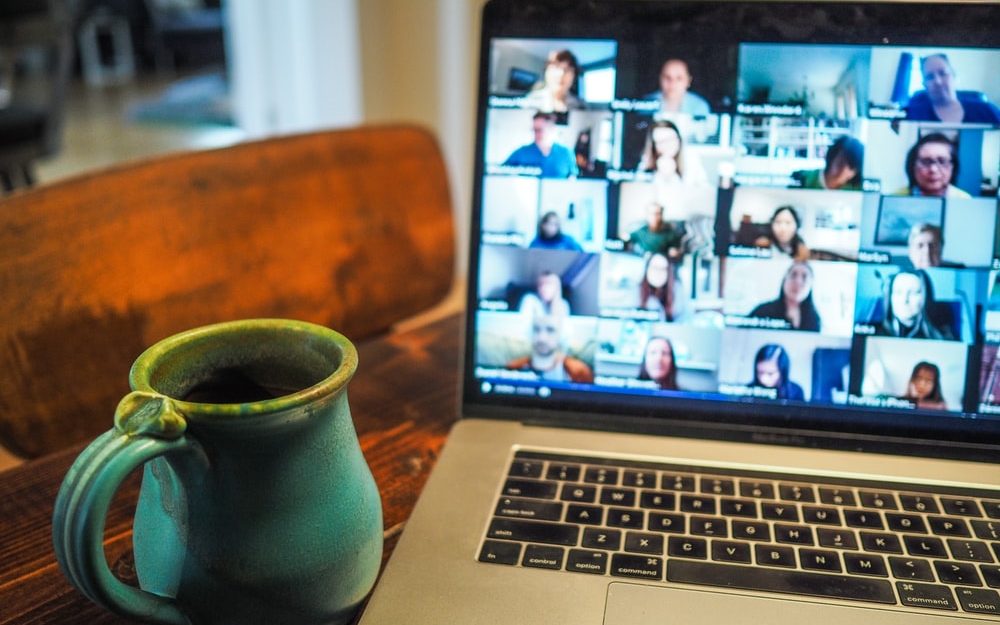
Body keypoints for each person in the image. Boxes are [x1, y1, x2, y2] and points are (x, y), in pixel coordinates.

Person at [905, 54, 1000, 124]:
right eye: (930, 77)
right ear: (924, 84)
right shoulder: (913, 115)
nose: (938, 81)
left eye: (943, 73)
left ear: (954, 76)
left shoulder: (986, 110)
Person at [505, 314, 593, 383]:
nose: (541, 338)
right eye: (536, 329)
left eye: (550, 330)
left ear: (562, 335)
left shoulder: (579, 372)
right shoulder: (514, 367)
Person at [876, 270, 955, 340]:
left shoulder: (943, 337)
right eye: (898, 292)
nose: (904, 300)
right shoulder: (874, 332)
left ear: (925, 297)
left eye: (913, 293)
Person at [749, 262, 821, 331]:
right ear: (784, 280)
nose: (798, 282)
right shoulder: (762, 312)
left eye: (804, 277)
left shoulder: (814, 319)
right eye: (793, 275)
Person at [894, 133, 971, 198]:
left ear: (953, 167)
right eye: (926, 162)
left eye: (942, 161)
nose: (933, 169)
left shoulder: (964, 199)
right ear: (912, 166)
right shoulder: (896, 198)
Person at [503, 112, 578, 178]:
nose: (536, 133)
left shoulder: (566, 153)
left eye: (539, 130)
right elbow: (502, 172)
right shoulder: (521, 153)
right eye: (534, 130)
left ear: (551, 129)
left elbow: (572, 178)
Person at [638, 119, 708, 187]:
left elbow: (704, 190)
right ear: (654, 145)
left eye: (670, 139)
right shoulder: (646, 162)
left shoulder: (692, 159)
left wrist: (672, 177)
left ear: (679, 139)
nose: (667, 145)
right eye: (661, 142)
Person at [791, 136, 865, 191]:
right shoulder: (803, 180)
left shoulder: (856, 191)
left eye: (851, 167)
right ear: (831, 158)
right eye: (840, 163)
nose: (843, 170)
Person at [522, 49, 584, 113]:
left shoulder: (581, 106)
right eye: (556, 67)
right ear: (546, 71)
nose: (561, 73)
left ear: (574, 76)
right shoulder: (529, 102)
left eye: (567, 70)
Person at [646, 59, 711, 117]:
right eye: (667, 77)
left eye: (679, 78)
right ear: (660, 79)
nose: (672, 83)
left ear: (688, 81)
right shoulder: (646, 103)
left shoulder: (699, 106)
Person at [639, 253, 674, 321]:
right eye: (655, 268)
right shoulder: (636, 292)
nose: (658, 273)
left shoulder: (676, 292)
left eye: (662, 269)